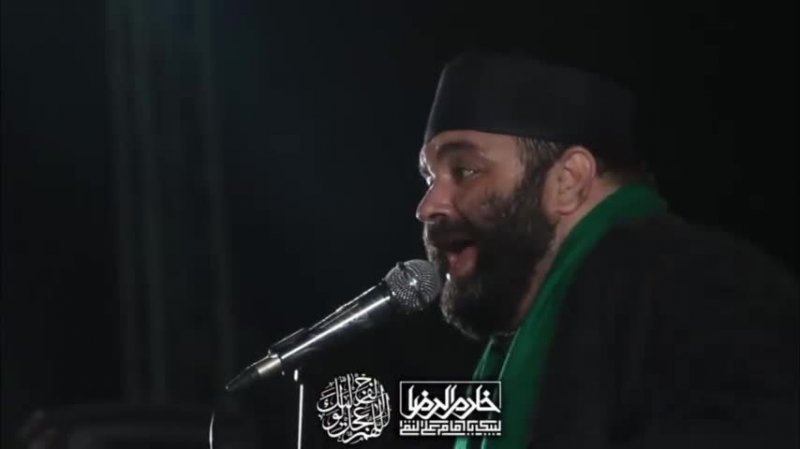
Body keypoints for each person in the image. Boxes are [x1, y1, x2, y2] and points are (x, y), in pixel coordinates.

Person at [415, 51, 798, 449]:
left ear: (568, 180)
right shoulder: (515, 344)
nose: (427, 207)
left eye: (465, 170)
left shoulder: (705, 288)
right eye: (429, 178)